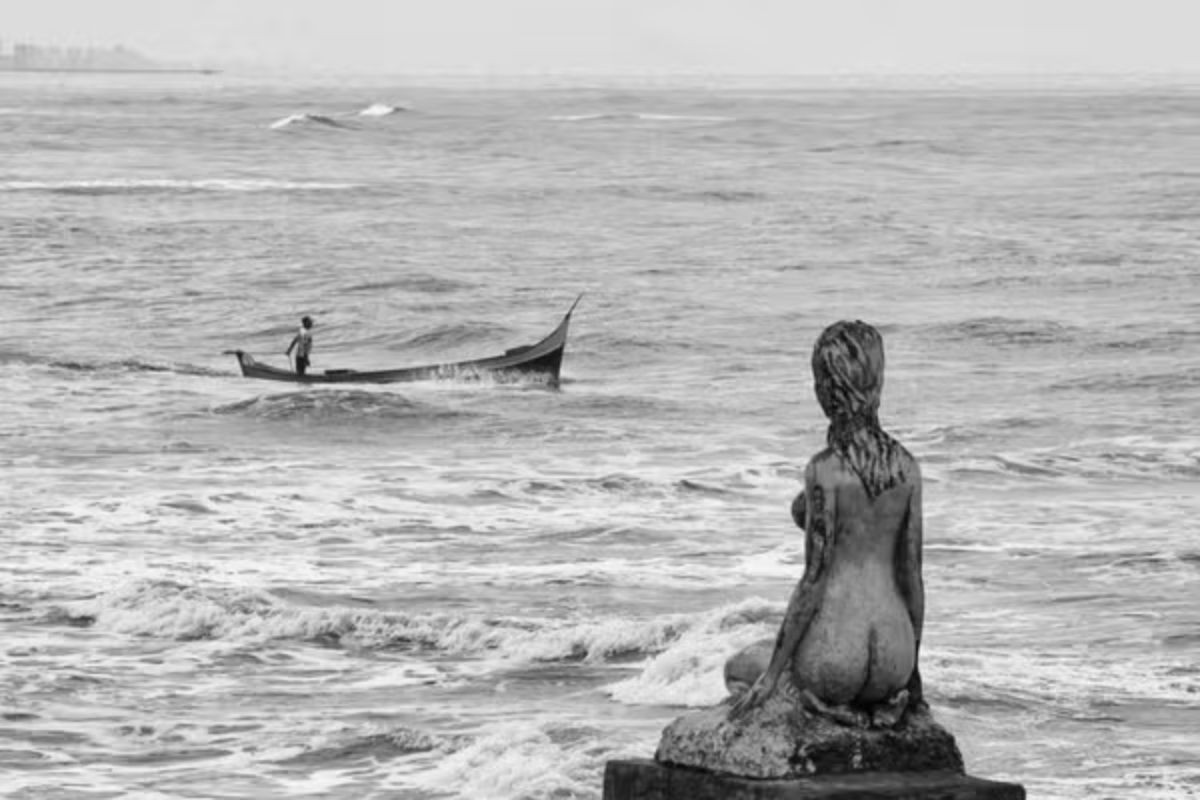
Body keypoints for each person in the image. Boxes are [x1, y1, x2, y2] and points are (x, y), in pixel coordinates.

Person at [728, 319, 925, 725]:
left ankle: (819, 705)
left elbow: (813, 581)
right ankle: (881, 706)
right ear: (877, 380)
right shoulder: (907, 468)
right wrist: (913, 672)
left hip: (838, 657)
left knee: (739, 667)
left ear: (826, 389)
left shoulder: (825, 470)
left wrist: (772, 675)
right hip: (894, 657)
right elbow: (912, 576)